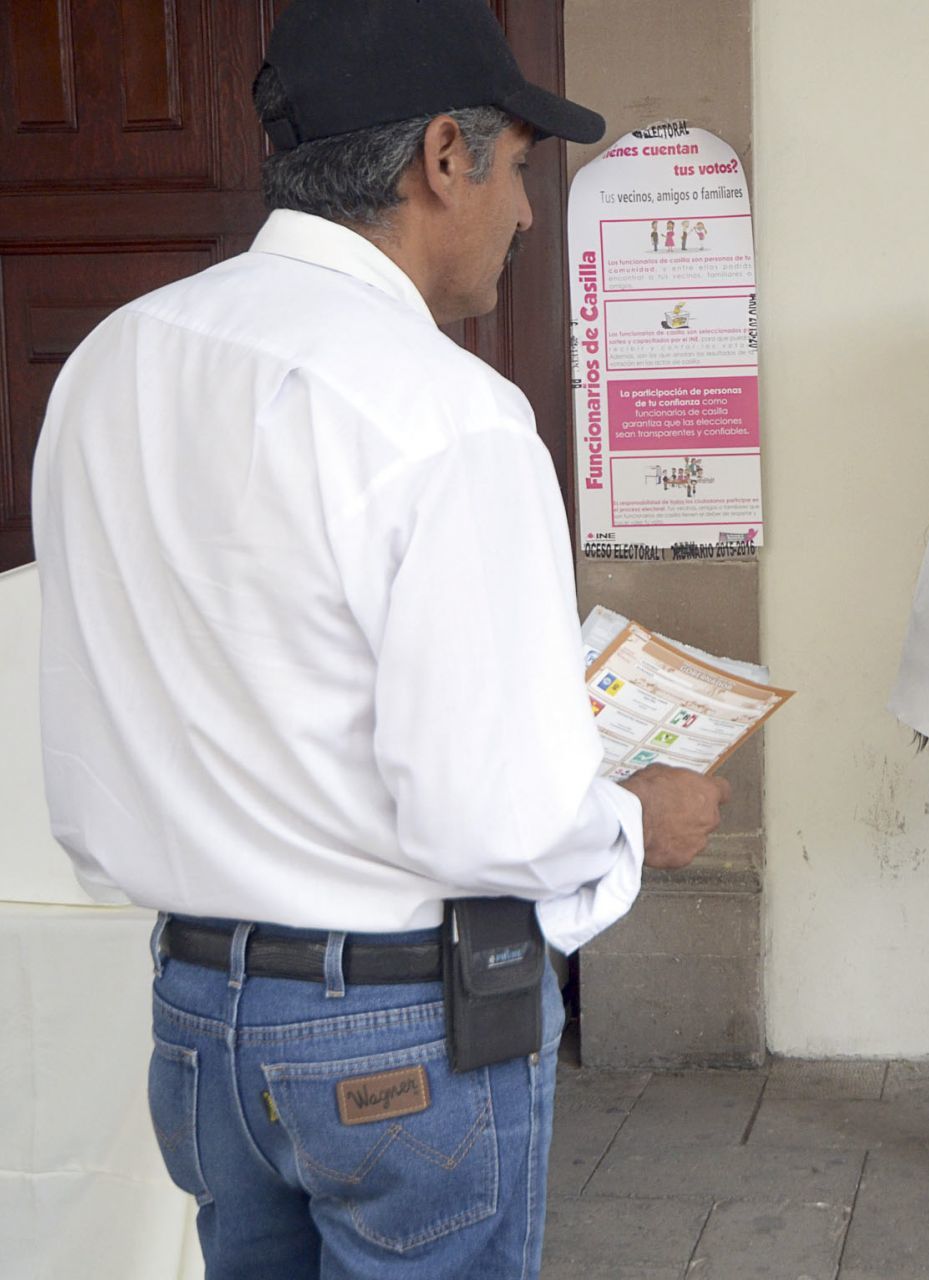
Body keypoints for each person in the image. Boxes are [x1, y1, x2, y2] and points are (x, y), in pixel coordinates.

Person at [30, 2, 729, 1276]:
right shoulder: (449, 413)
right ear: (444, 157)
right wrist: (637, 821)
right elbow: (496, 815)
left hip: (195, 1013)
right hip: (399, 1024)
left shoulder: (110, 364)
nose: (527, 212)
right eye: (519, 169)